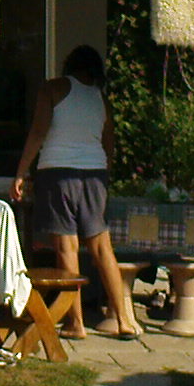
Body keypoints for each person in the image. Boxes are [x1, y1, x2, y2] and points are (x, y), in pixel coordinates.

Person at [11, 44, 141, 340]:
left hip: (58, 172)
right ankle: (123, 320)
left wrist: (21, 172)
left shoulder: (52, 89)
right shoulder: (100, 99)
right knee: (102, 248)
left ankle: (76, 323)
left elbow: (38, 131)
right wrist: (104, 174)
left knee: (66, 248)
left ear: (69, 65)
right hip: (95, 174)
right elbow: (109, 141)